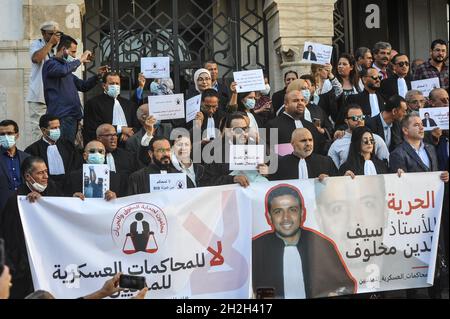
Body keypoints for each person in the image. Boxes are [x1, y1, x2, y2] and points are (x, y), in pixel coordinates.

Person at [252, 184, 356, 298]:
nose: (286, 217)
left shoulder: (322, 244)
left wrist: (338, 293)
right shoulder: (255, 248)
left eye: (292, 210)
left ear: (302, 213)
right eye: (278, 211)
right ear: (269, 216)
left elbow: (345, 286)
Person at [0, 156, 64, 299]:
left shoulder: (53, 189)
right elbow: (11, 239)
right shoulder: (16, 201)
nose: (46, 176)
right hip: (24, 268)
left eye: (46, 171)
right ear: (28, 176)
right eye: (40, 173)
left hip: (52, 262)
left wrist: (75, 198)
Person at [42, 35, 109, 142]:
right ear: (64, 49)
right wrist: (80, 59)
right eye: (73, 52)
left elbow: (83, 86)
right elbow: (62, 71)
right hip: (61, 117)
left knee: (70, 150)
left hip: (73, 117)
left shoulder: (67, 71)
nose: (74, 55)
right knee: (64, 148)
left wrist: (98, 75)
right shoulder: (51, 64)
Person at [83, 72, 140, 147]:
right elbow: (94, 128)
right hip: (104, 146)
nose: (115, 86)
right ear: (104, 85)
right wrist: (121, 129)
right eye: (112, 83)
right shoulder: (93, 104)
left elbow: (137, 125)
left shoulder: (129, 104)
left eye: (117, 83)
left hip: (128, 145)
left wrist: (129, 133)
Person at [26, 21, 60, 145]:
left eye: (56, 34)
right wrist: (50, 43)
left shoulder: (60, 46)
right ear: (43, 33)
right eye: (50, 34)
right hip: (39, 96)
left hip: (55, 97)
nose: (54, 37)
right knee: (38, 133)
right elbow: (36, 58)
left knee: (56, 132)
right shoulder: (36, 44)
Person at [24, 114, 81, 188]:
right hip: (46, 189)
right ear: (43, 130)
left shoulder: (69, 146)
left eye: (58, 127)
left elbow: (77, 165)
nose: (57, 130)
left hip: (69, 188)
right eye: (53, 128)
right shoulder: (33, 150)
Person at [389, 112, 448, 182]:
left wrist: (445, 176)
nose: (421, 128)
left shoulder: (431, 148)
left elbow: (437, 172)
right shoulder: (397, 154)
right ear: (405, 130)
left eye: (422, 124)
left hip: (433, 192)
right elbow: (400, 182)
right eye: (416, 125)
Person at [328, 104, 389, 169]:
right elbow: (333, 171)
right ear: (346, 121)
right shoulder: (337, 144)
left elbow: (386, 165)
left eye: (361, 117)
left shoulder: (376, 139)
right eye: (355, 118)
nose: (359, 121)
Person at [267, 90, 325, 154]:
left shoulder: (311, 126)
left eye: (302, 100)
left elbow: (318, 151)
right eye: (296, 100)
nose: (300, 103)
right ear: (286, 104)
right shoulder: (272, 125)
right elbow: (269, 155)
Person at [270, 128, 337, 181]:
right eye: (303, 140)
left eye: (310, 140)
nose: (308, 144)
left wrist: (329, 180)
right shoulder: (279, 164)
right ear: (292, 143)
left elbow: (338, 185)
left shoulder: (326, 162)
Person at [0, 120, 30, 213]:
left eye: (9, 133)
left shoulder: (27, 157)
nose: (6, 137)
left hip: (24, 207)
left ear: (17, 135)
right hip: (3, 209)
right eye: (2, 134)